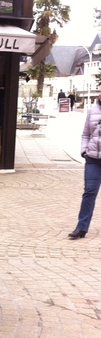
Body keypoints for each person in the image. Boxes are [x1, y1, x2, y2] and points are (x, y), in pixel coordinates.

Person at [68, 84, 101, 239]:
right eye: (100, 91)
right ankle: (81, 227)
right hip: (93, 159)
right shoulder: (92, 110)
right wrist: (84, 150)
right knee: (89, 192)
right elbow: (85, 134)